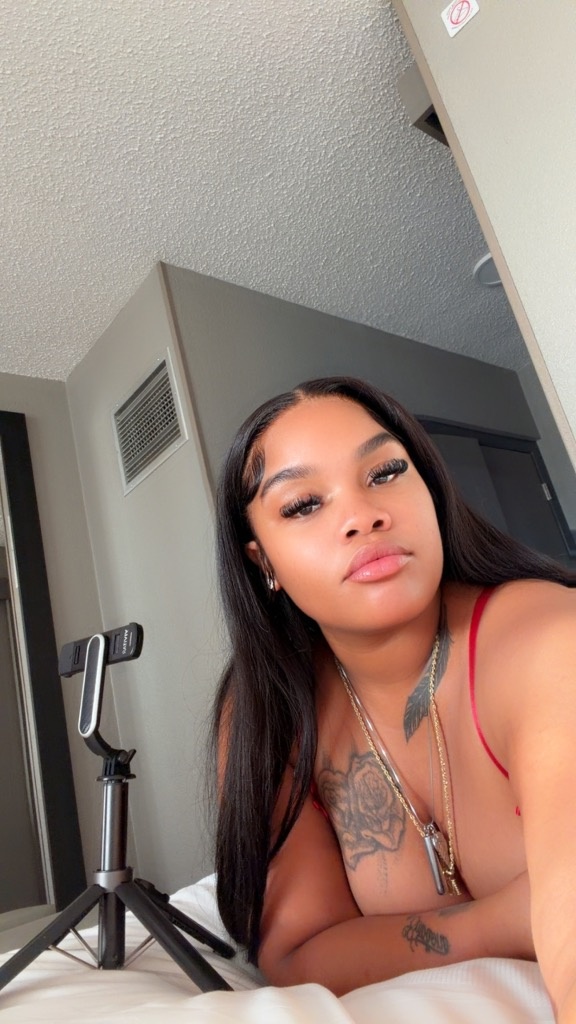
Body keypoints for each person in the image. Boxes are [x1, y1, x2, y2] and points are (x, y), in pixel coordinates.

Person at [211, 375, 576, 1021]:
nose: (363, 516)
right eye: (303, 504)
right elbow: (297, 954)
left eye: (384, 473)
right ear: (262, 560)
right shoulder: (267, 709)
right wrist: (509, 920)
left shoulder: (548, 641)